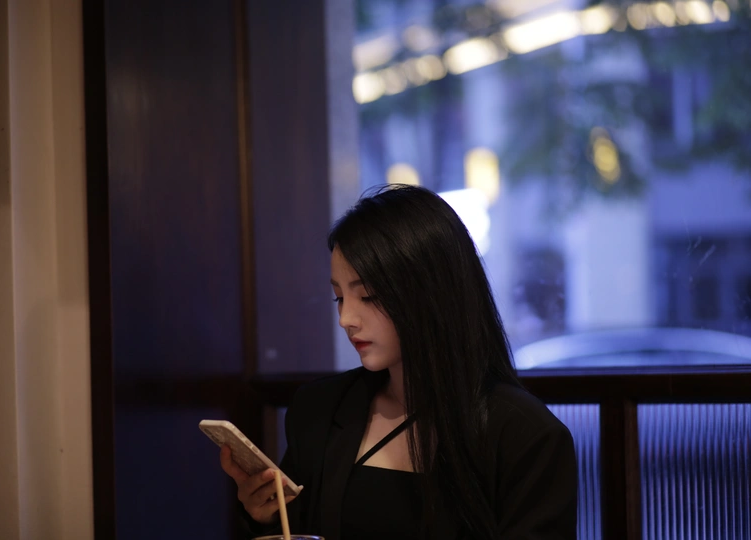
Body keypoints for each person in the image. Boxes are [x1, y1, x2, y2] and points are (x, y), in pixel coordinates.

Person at [221, 184, 577, 539]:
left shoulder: (525, 436)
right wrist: (264, 517)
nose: (346, 319)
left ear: (432, 293)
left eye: (368, 296)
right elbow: (299, 528)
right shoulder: (320, 410)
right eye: (339, 297)